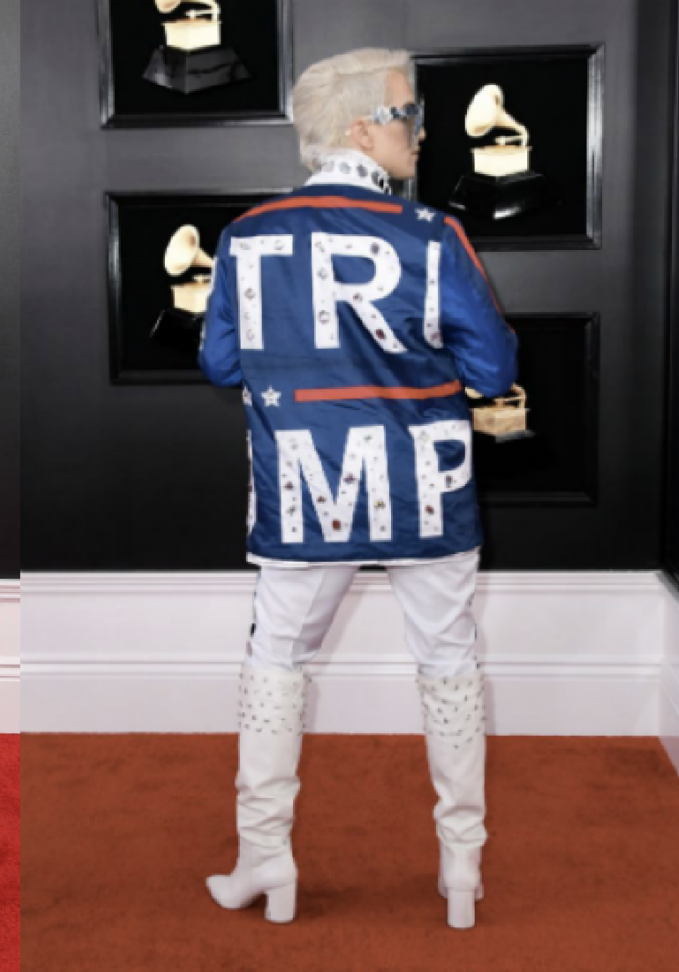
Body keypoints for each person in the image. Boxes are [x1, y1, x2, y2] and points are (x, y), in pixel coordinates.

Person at [198, 48, 517, 930]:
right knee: (449, 662)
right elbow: (494, 370)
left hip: (303, 490)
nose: (421, 130)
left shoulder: (248, 236)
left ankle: (266, 860)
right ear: (359, 129)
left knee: (275, 663)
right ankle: (461, 870)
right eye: (408, 114)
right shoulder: (433, 235)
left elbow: (221, 359)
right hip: (428, 487)